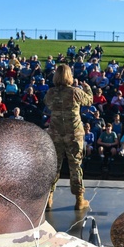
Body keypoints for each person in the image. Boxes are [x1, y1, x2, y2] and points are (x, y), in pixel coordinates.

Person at [43, 63, 93, 210]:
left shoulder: (50, 93)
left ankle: (49, 198)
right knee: (75, 166)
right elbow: (89, 101)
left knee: (54, 166)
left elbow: (48, 104)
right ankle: (79, 199)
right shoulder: (75, 92)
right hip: (74, 134)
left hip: (55, 134)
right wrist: (87, 88)